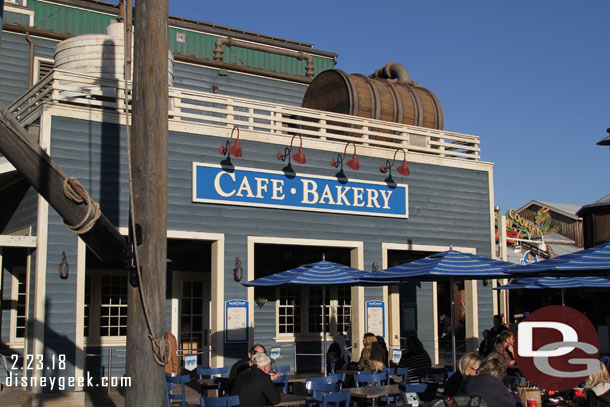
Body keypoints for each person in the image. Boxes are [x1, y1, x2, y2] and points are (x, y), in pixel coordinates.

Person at [458, 352, 522, 407]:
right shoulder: (498, 387)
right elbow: (518, 405)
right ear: (502, 373)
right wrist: (512, 393)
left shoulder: (468, 381)